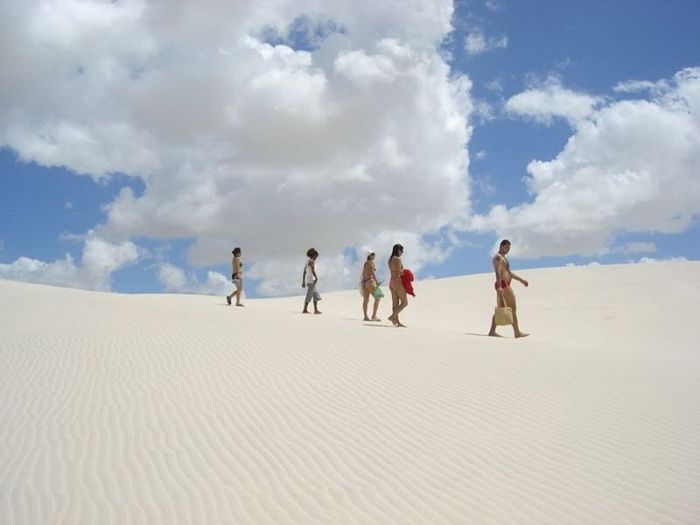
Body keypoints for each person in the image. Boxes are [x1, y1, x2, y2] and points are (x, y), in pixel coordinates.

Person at [488, 239, 529, 338]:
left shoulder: (503, 258)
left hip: (504, 284)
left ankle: (492, 331)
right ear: (501, 246)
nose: (508, 249)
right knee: (512, 307)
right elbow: (498, 272)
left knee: (500, 308)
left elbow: (509, 273)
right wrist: (500, 286)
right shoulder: (498, 258)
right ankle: (517, 332)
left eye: (509, 248)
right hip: (503, 284)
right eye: (506, 247)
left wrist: (521, 280)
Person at [387, 244, 408, 327]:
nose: (402, 252)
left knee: (395, 303)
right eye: (402, 250)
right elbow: (399, 272)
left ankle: (397, 322)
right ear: (398, 250)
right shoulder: (397, 259)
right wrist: (407, 273)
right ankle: (392, 317)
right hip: (398, 281)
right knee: (404, 303)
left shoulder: (390, 260)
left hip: (391, 282)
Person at [361, 251, 382, 322]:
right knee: (378, 297)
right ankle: (374, 316)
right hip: (370, 281)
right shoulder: (371, 262)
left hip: (364, 282)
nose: (374, 256)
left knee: (366, 300)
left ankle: (365, 316)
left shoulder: (365, 263)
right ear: (370, 256)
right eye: (373, 255)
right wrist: (377, 281)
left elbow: (364, 273)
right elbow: (372, 273)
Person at [302, 248, 322, 314]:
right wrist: (316, 277)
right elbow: (313, 270)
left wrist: (303, 281)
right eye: (316, 256)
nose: (316, 258)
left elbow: (304, 272)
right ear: (313, 255)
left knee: (315, 295)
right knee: (309, 295)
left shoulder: (307, 262)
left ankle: (315, 310)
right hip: (311, 281)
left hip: (309, 281)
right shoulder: (311, 261)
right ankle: (305, 309)